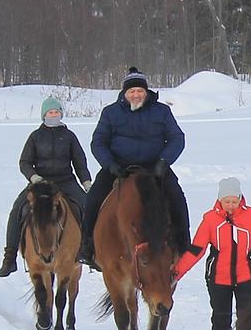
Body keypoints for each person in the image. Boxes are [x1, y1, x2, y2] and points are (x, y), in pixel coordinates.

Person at [80, 67, 193, 266]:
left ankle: (184, 243)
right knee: (94, 198)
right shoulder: (110, 113)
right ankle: (87, 245)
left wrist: (164, 162)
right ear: (124, 93)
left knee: (176, 196)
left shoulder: (162, 111)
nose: (136, 95)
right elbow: (98, 142)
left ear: (146, 92)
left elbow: (177, 138)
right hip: (119, 167)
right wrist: (110, 165)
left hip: (154, 166)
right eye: (131, 91)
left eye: (140, 91)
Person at [175, 177, 251, 330]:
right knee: (221, 318)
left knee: (246, 317)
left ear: (240, 199)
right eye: (227, 201)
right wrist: (176, 273)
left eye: (234, 201)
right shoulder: (210, 219)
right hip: (218, 278)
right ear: (220, 200)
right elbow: (196, 250)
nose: (230, 205)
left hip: (247, 275)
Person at [0, 96, 92, 276]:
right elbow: (24, 162)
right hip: (41, 183)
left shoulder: (69, 136)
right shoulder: (35, 137)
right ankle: (9, 258)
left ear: (61, 114)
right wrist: (34, 178)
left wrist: (86, 182)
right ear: (44, 115)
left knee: (87, 206)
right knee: (17, 209)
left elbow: (80, 162)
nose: (53, 115)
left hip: (66, 181)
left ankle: (88, 250)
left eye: (56, 112)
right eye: (50, 112)